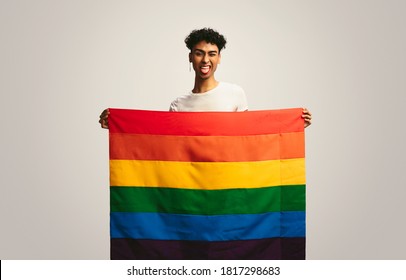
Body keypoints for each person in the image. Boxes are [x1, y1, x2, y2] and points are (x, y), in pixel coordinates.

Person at [99, 27, 312, 128]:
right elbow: (160, 141)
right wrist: (118, 124)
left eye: (212, 54)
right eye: (199, 53)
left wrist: (292, 124)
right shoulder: (179, 105)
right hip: (192, 186)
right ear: (191, 57)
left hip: (226, 181)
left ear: (219, 59)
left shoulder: (235, 94)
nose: (205, 60)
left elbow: (252, 133)